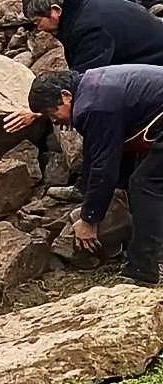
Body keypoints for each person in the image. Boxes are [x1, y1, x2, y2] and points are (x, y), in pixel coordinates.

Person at [28, 65, 163, 284]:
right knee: (142, 178)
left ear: (65, 96)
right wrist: (85, 190)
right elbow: (99, 149)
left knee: (145, 184)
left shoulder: (93, 107)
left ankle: (142, 271)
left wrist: (89, 220)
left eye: (52, 113)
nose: (54, 121)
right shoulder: (91, 87)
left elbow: (104, 167)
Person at [5, 0, 163, 133]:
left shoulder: (89, 29)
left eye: (37, 21)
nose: (38, 28)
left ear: (55, 11)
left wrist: (41, 109)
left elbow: (85, 82)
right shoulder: (82, 7)